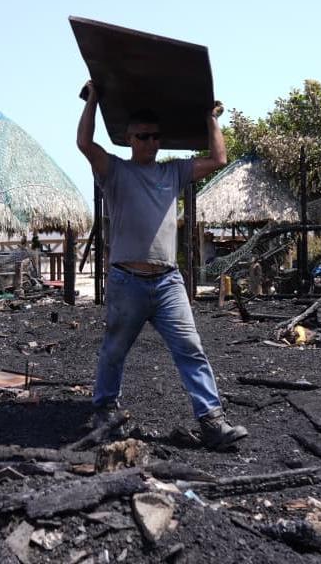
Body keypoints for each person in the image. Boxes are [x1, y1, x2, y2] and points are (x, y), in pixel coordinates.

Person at [75, 80, 248, 450]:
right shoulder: (114, 171)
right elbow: (85, 145)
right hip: (127, 281)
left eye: (156, 137)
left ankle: (212, 422)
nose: (151, 143)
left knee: (191, 348)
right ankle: (105, 412)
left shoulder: (173, 173)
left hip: (168, 283)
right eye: (143, 136)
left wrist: (211, 119)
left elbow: (218, 160)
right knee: (114, 350)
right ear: (129, 138)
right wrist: (92, 100)